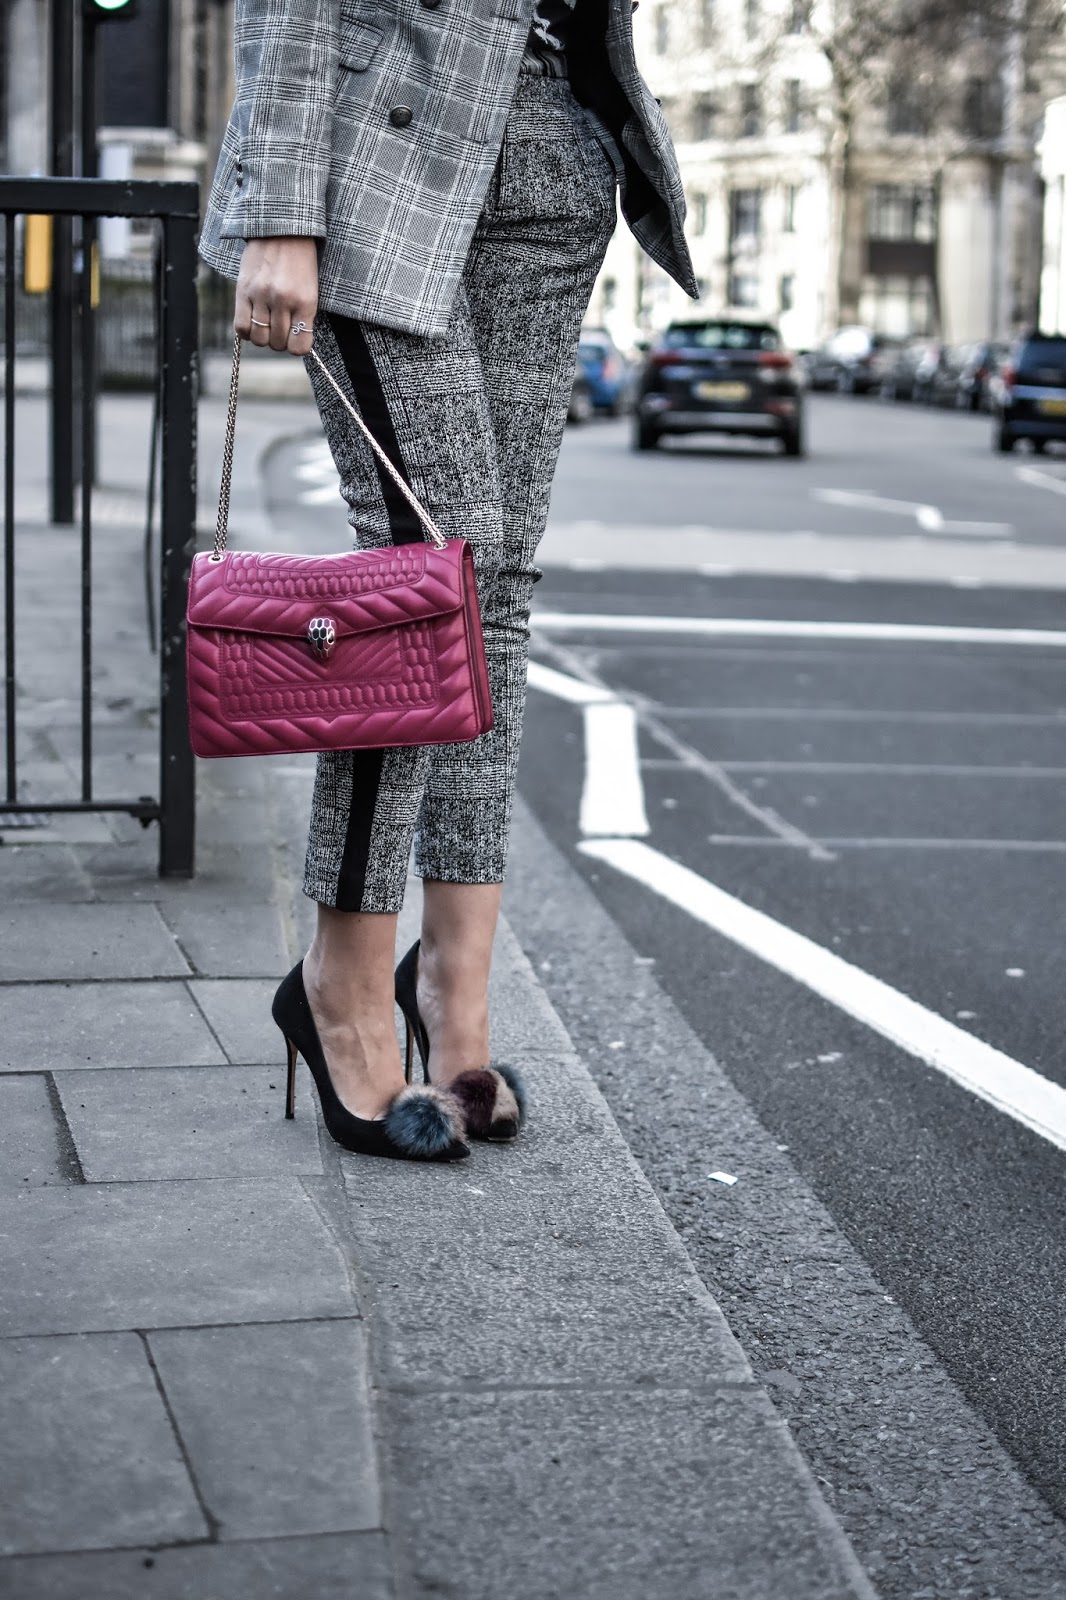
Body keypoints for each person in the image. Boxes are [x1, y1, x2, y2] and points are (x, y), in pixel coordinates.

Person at [198, 0, 697, 1161]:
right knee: (423, 588)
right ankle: (341, 983)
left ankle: (453, 993)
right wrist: (281, 209)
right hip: (379, 151)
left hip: (561, 145)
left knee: (495, 590)